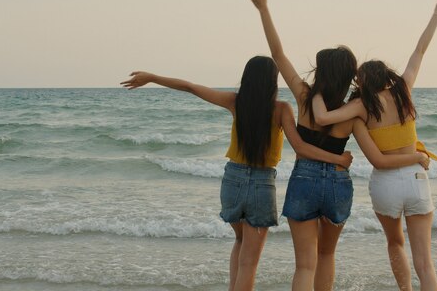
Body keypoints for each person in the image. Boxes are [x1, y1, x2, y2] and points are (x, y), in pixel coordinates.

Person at [246, 0, 430, 291]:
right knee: (327, 254)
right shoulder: (354, 112)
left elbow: (278, 54)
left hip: (304, 181)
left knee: (304, 264)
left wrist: (264, 9)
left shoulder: (305, 97)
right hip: (337, 183)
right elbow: (376, 149)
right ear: (349, 77)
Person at [120, 56, 353, 291]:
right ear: (273, 82)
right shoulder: (281, 109)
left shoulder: (235, 102)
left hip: (232, 179)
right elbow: (301, 147)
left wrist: (152, 78)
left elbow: (190, 87)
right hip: (262, 184)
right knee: (249, 263)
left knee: (240, 241)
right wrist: (338, 159)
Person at [311, 0, 437, 291]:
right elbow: (419, 50)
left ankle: (404, 290)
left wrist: (317, 92)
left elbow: (323, 118)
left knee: (395, 243)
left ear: (363, 81)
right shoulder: (404, 90)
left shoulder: (361, 105)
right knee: (425, 264)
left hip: (386, 186)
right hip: (417, 180)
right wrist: (436, 15)